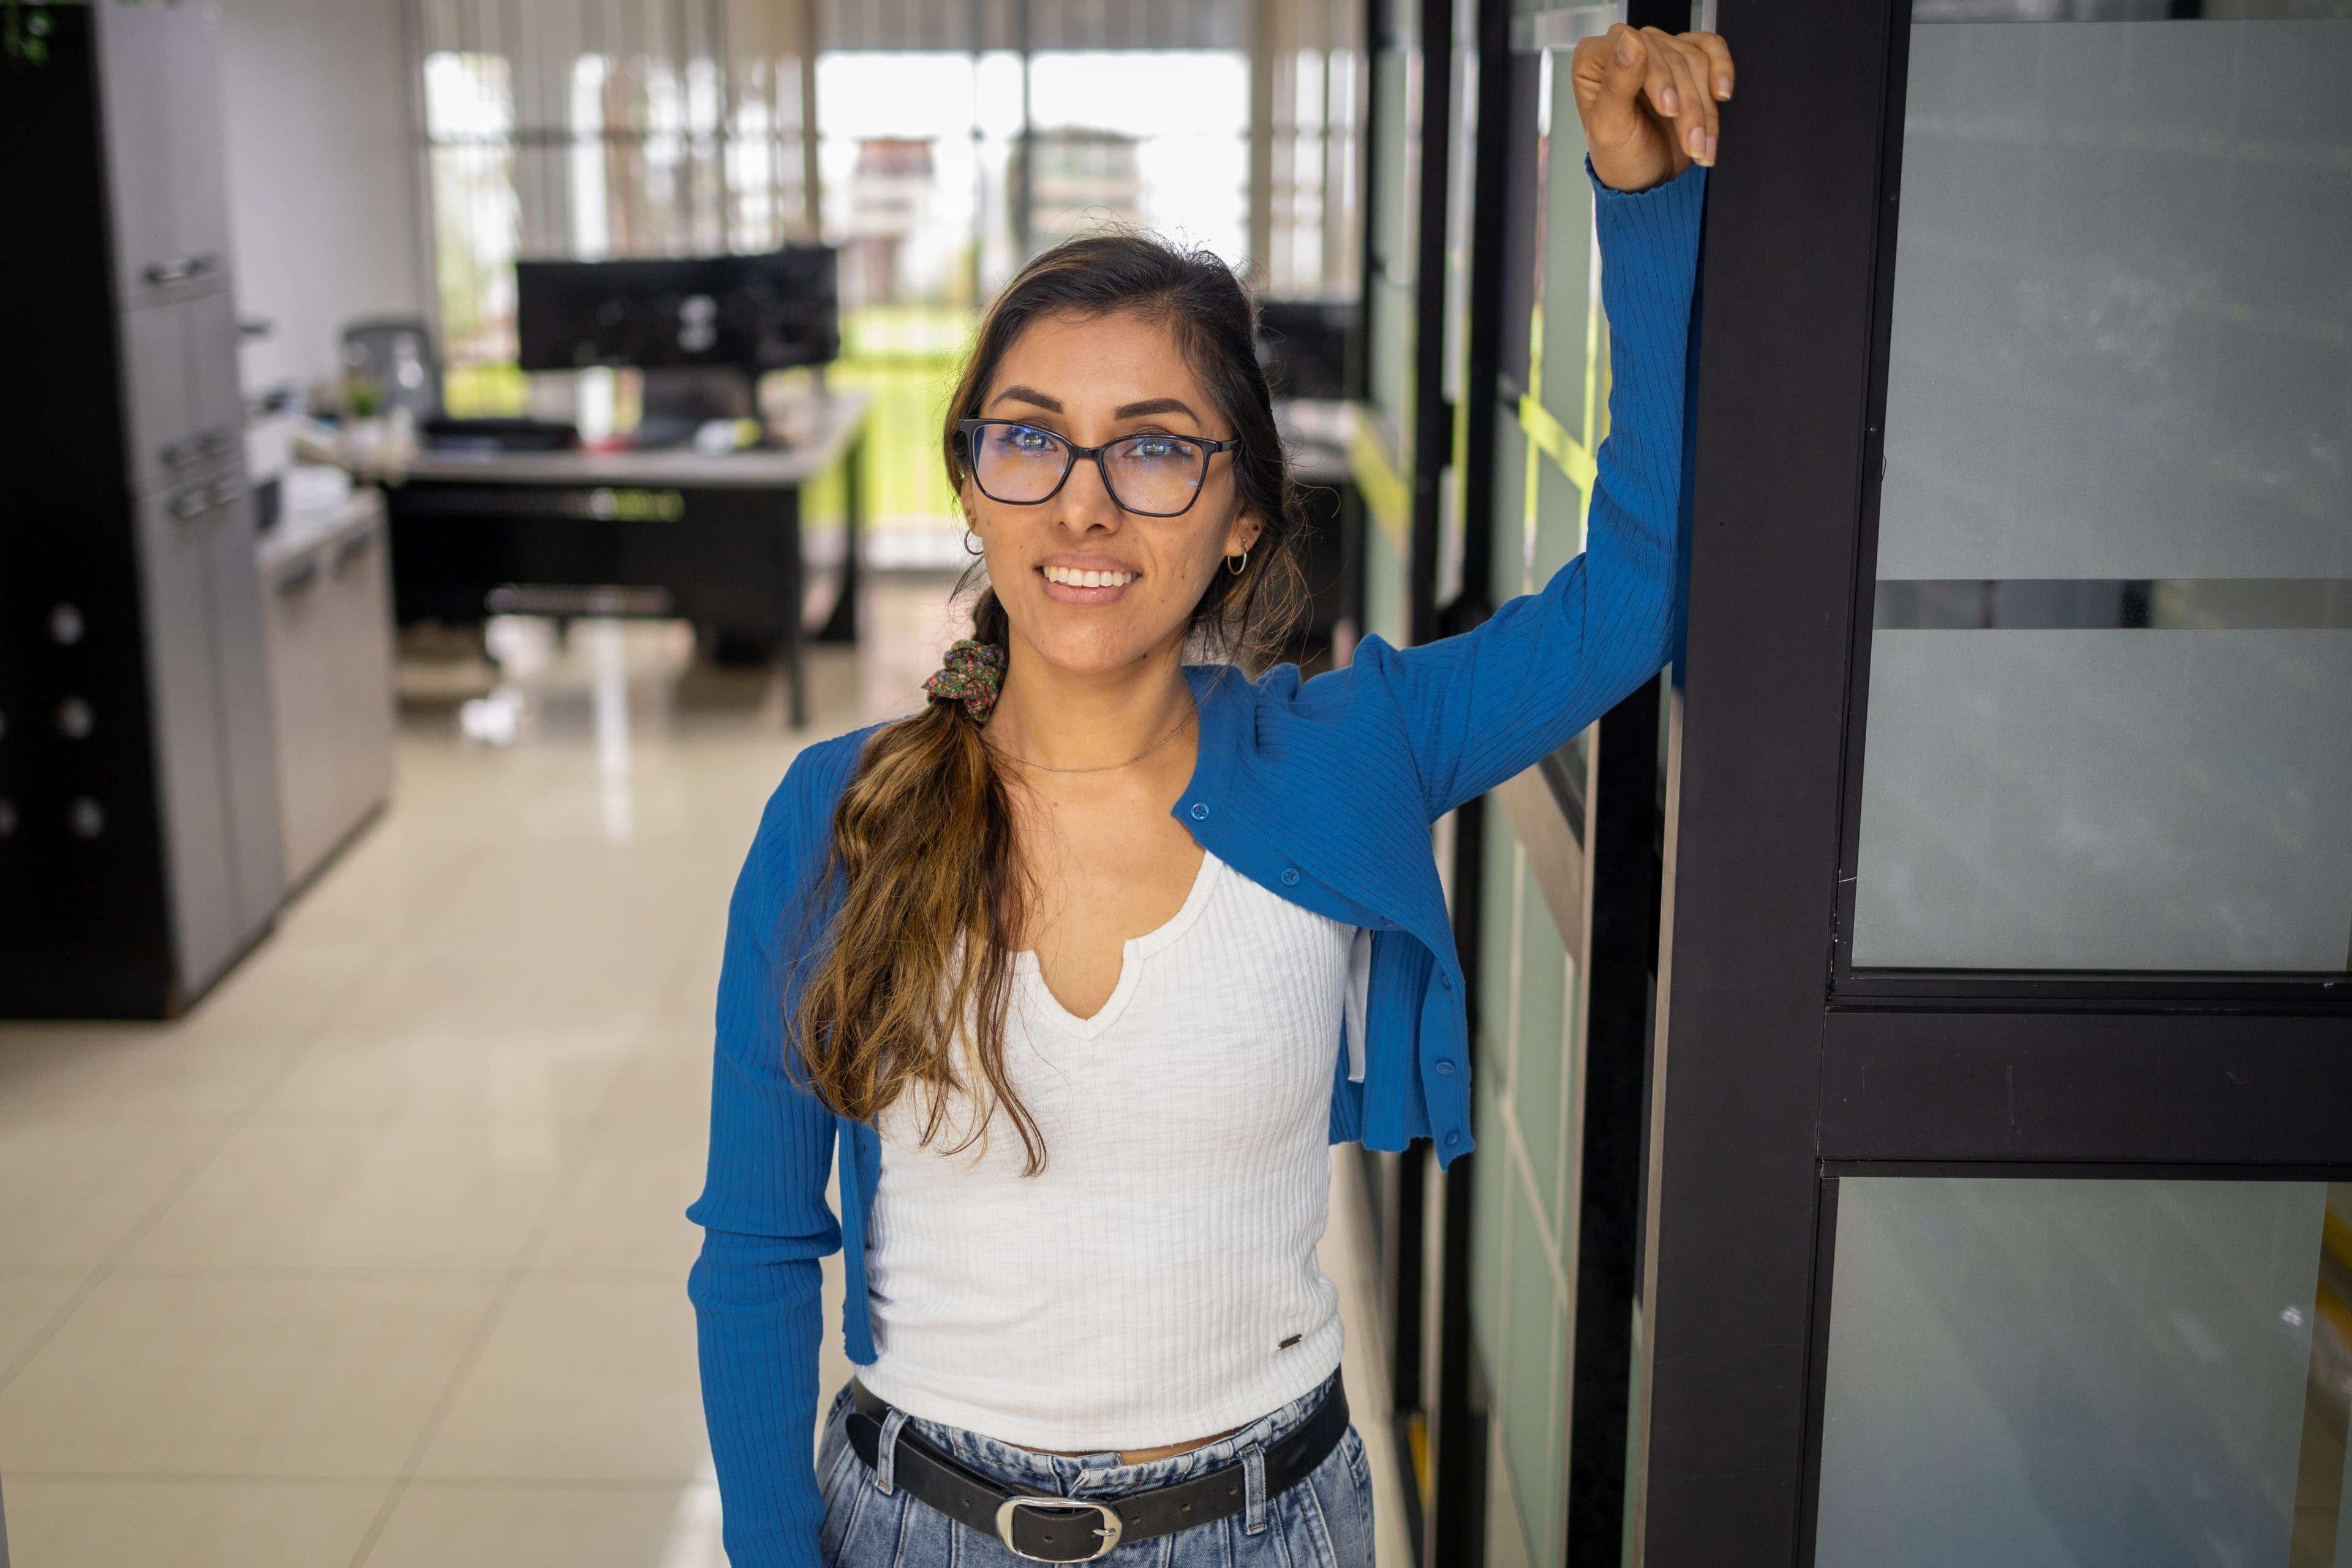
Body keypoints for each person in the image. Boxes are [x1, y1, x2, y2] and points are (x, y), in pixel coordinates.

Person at [688, 23, 1733, 1567]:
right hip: (914, 1529)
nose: (1087, 502)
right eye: (1030, 440)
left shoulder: (1347, 750)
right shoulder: (838, 816)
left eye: (1157, 451)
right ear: (973, 486)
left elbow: (1632, 596)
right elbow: (763, 1252)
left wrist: (1637, 206)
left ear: (1243, 510)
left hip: (1266, 1528)